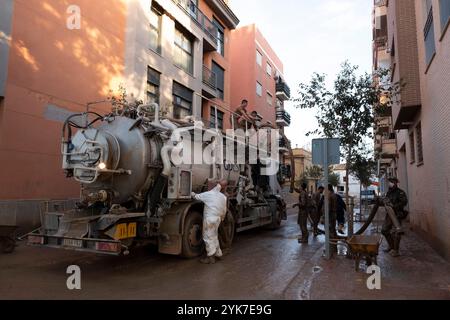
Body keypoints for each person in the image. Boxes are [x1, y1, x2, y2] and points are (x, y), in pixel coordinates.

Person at [191, 180, 228, 264]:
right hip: (217, 219)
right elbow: (224, 210)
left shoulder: (208, 194)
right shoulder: (223, 197)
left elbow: (196, 196)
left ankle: (210, 257)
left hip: (210, 219)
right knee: (214, 236)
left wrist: (191, 193)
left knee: (208, 237)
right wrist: (221, 218)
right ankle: (218, 254)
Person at [382, 177, 408, 257]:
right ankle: (391, 246)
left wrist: (394, 206)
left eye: (392, 182)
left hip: (397, 214)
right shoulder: (389, 192)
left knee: (397, 232)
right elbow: (386, 201)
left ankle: (396, 250)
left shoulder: (400, 192)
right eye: (389, 182)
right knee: (384, 230)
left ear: (396, 183)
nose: (390, 183)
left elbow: (404, 202)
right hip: (389, 215)